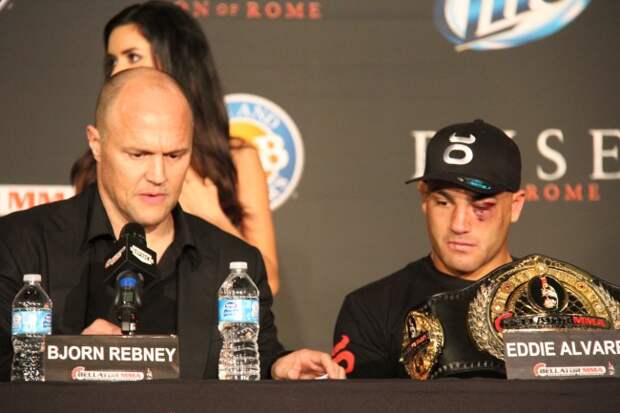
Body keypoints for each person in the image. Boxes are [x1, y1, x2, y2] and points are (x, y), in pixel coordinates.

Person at [0, 68, 344, 381]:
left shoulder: (234, 263)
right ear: (97, 144)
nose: (159, 176)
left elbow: (256, 359)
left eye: (175, 155)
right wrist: (66, 361)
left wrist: (278, 368)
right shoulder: (20, 245)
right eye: (139, 155)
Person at [70, 1, 281, 295]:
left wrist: (214, 218)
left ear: (174, 60)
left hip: (201, 324)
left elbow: (268, 281)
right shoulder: (96, 161)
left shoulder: (237, 158)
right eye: (112, 61)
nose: (117, 70)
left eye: (132, 56)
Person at [332, 119, 526, 378]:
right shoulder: (371, 309)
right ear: (424, 198)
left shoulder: (560, 303)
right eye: (443, 202)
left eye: (481, 208)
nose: (458, 224)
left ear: (515, 206)